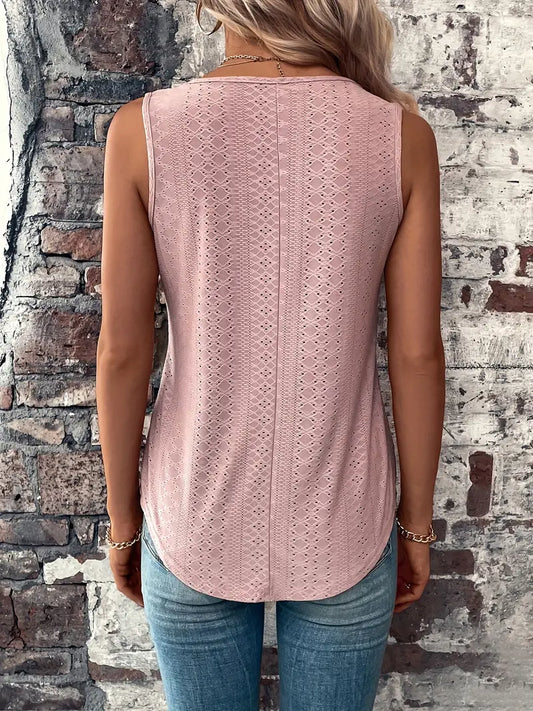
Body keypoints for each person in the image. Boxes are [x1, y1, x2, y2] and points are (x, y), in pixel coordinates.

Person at [96, 1, 445, 709]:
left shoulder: (144, 132)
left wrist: (123, 523)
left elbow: (123, 351)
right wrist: (414, 524)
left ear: (207, 5)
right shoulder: (400, 137)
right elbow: (415, 356)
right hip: (346, 517)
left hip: (192, 512)